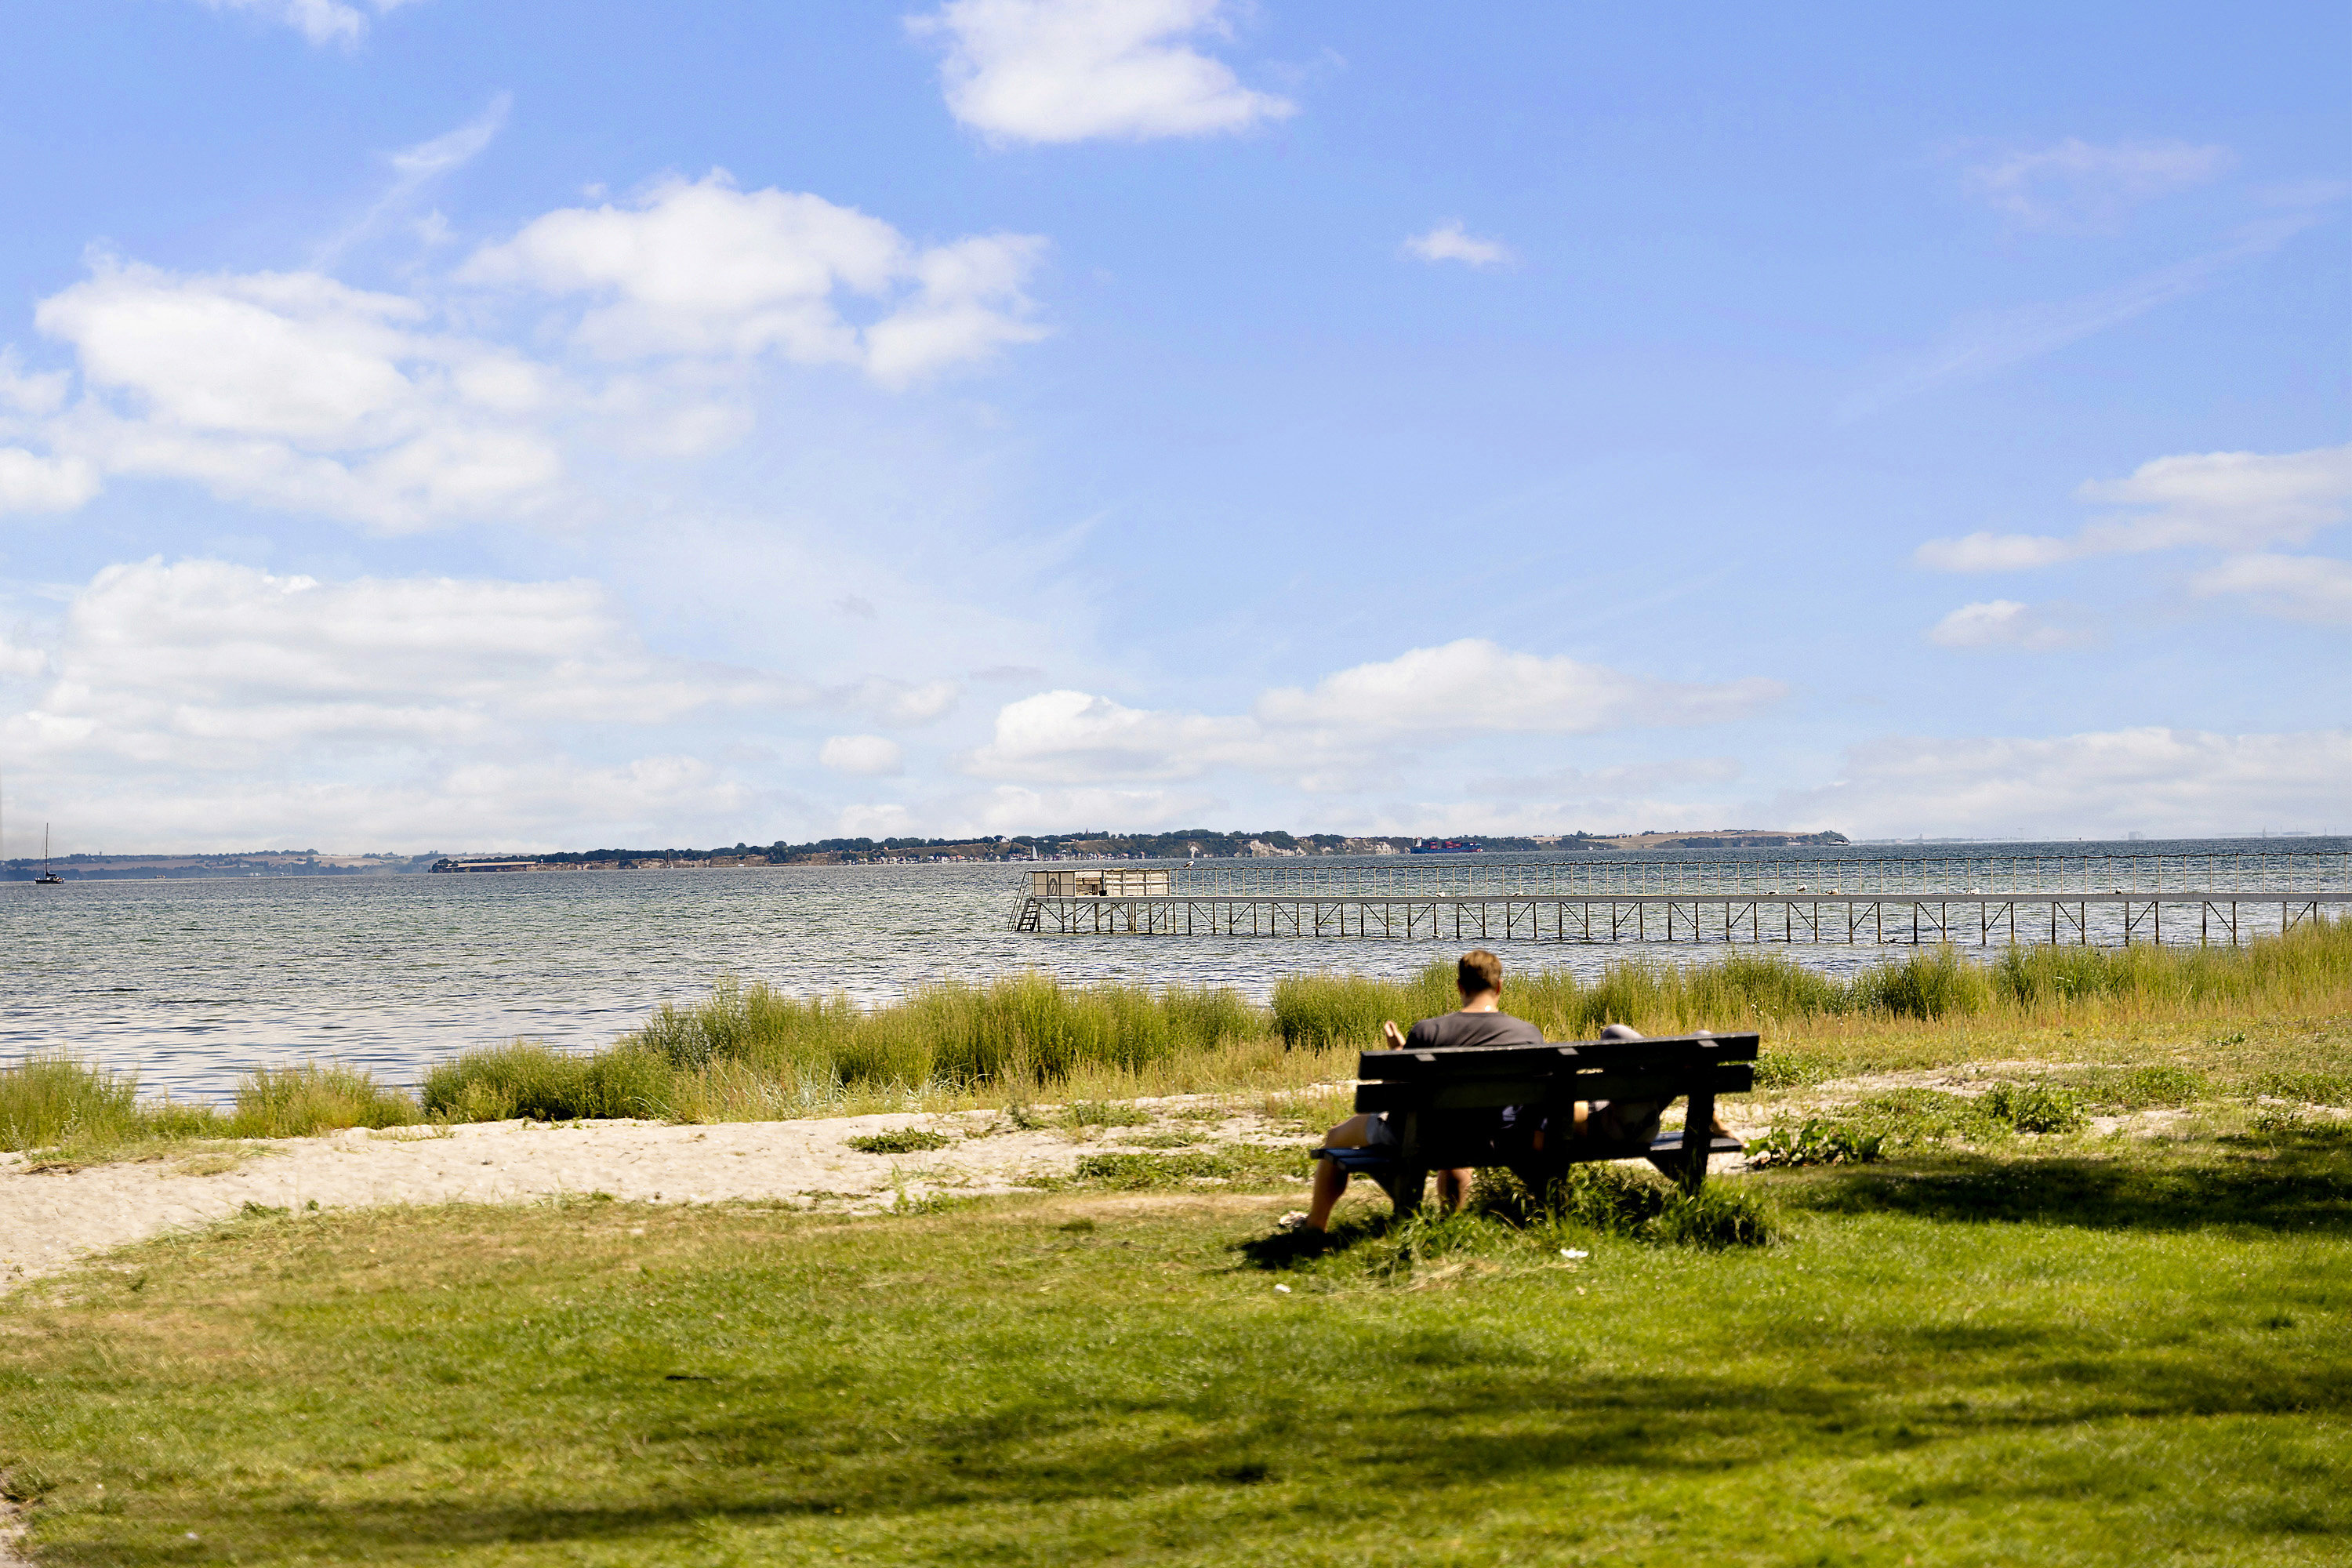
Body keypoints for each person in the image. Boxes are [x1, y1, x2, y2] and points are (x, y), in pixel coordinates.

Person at [1298, 949, 1541, 1232]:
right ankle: (1451, 1225)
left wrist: (1398, 1056)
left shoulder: (1429, 1031)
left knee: (1336, 1136)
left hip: (1428, 1137)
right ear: (1499, 986)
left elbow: (1397, 1092)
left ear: (1460, 986)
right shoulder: (1527, 1034)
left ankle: (1314, 1227)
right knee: (1457, 1135)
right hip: (1494, 1136)